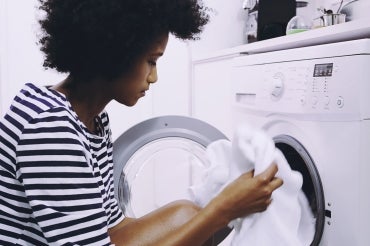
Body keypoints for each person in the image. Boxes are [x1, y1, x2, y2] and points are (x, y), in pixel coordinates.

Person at [0, 0, 283, 245]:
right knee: (199, 219)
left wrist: (216, 210)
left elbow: (114, 229)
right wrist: (223, 210)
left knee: (186, 214)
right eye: (151, 60)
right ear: (113, 52)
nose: (154, 77)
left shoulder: (92, 120)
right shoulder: (49, 128)